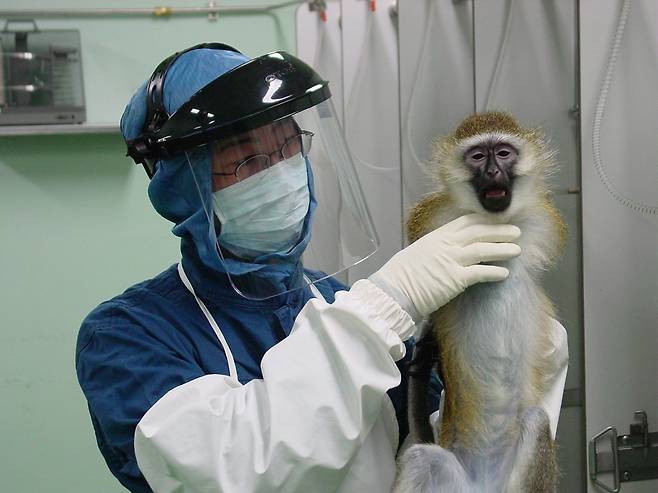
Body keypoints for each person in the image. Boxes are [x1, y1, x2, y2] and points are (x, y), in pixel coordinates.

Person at [75, 44, 522, 493]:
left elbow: (437, 450)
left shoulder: (337, 301)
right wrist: (387, 303)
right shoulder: (127, 336)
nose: (281, 176)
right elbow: (232, 469)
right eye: (247, 160)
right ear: (180, 187)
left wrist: (494, 346)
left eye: (289, 146)